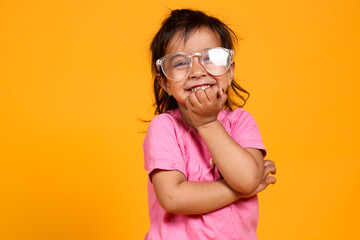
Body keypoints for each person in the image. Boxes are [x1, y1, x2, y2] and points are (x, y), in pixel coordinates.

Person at [143, 9, 276, 240]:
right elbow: (173, 197)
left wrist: (208, 123)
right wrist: (239, 192)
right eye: (181, 63)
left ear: (229, 71)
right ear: (164, 82)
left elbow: (246, 178)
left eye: (211, 58)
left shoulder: (241, 122)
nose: (197, 71)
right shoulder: (164, 127)